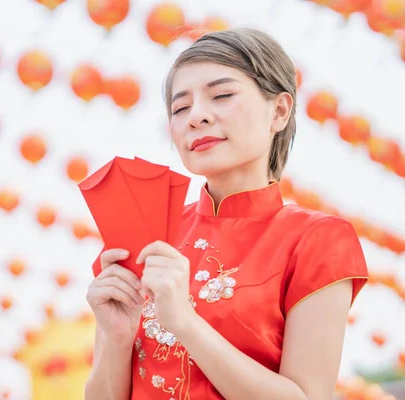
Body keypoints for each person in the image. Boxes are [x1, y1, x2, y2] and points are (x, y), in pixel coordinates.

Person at [84, 27, 369, 400]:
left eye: (222, 95)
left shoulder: (317, 240)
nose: (196, 117)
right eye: (180, 107)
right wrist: (117, 339)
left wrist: (185, 323)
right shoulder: (145, 237)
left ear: (279, 111)